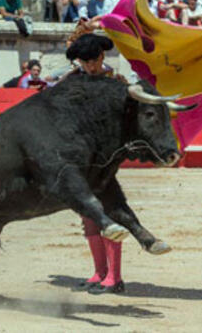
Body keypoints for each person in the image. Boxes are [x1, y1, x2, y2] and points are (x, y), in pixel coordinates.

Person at [64, 33, 129, 295]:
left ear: (102, 57)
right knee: (88, 214)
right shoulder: (72, 81)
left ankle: (114, 277)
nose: (89, 67)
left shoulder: (116, 82)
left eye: (93, 61)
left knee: (108, 213)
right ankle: (100, 272)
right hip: (81, 157)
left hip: (105, 158)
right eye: (84, 62)